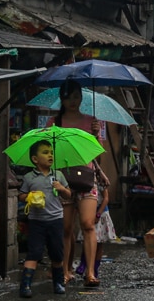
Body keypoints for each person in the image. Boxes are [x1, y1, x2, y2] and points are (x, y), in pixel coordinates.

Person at [50, 79, 107, 287]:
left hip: (86, 177)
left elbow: (98, 155)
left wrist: (96, 134)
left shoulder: (91, 121)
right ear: (62, 99)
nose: (72, 101)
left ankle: (90, 272)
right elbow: (48, 152)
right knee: (65, 228)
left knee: (87, 224)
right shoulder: (54, 123)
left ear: (81, 98)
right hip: (62, 179)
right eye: (68, 97)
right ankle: (65, 271)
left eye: (76, 96)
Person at [17, 139, 71, 298]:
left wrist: (61, 188)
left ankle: (58, 282)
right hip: (36, 221)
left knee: (57, 253)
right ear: (35, 159)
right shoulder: (29, 177)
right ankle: (25, 285)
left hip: (55, 220)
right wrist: (29, 197)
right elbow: (20, 195)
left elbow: (69, 194)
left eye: (51, 153)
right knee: (34, 252)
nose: (50, 156)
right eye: (45, 153)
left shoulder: (58, 174)